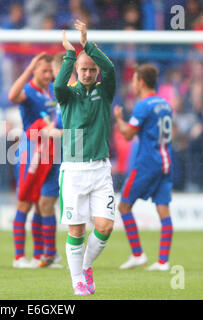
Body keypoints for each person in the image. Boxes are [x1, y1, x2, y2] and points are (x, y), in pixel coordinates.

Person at [54, 20, 116, 295]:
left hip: (101, 168)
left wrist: (86, 44)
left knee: (105, 226)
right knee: (77, 230)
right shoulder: (67, 96)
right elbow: (58, 84)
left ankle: (83, 268)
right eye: (84, 68)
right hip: (75, 170)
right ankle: (77, 281)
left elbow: (111, 68)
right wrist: (70, 53)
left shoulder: (104, 93)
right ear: (76, 71)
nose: (89, 73)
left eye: (92, 69)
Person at [114, 63, 174, 271]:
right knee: (163, 210)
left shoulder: (143, 105)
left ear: (140, 81)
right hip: (166, 161)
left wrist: (120, 120)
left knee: (123, 206)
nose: (132, 83)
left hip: (147, 163)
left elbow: (128, 134)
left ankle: (138, 254)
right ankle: (163, 261)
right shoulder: (165, 104)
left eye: (133, 79)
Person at [8, 52, 63, 269]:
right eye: (44, 70)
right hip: (32, 150)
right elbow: (13, 96)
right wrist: (29, 69)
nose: (49, 74)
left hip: (51, 149)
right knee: (25, 202)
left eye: (50, 71)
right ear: (35, 71)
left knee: (45, 204)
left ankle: (45, 255)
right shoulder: (29, 91)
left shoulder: (49, 92)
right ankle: (19, 257)